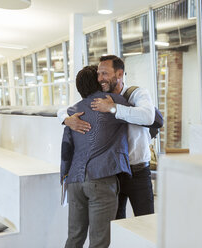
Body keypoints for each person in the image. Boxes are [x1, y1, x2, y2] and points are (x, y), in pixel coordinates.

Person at [61, 55, 155, 219]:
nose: (100, 78)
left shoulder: (137, 94)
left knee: (146, 221)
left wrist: (113, 108)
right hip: (113, 174)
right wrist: (66, 119)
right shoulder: (99, 99)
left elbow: (147, 117)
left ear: (119, 74)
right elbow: (68, 109)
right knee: (116, 226)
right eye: (98, 74)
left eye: (104, 73)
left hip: (138, 172)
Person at [61, 65, 131, 248]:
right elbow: (152, 118)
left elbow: (66, 149)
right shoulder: (113, 102)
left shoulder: (72, 111)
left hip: (75, 181)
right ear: (99, 81)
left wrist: (64, 177)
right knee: (99, 241)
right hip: (101, 178)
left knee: (74, 238)